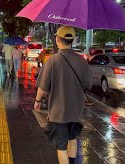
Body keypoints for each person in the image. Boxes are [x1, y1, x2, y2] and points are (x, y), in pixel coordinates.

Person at [34, 26, 92, 164]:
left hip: (58, 112)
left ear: (58, 39)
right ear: (71, 40)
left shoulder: (53, 61)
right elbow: (88, 85)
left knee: (61, 146)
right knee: (72, 138)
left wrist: (37, 101)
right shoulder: (82, 61)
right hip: (76, 110)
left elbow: (42, 87)